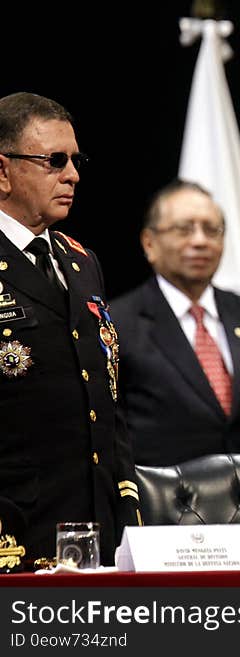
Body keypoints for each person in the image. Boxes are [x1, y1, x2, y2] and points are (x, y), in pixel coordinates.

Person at [0, 91, 140, 565]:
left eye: (75, 160)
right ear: (2, 171)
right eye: (54, 161)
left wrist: (126, 498)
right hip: (15, 530)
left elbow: (107, 394)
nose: (73, 175)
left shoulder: (81, 263)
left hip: (96, 524)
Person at [111, 179, 240, 465]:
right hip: (160, 501)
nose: (200, 241)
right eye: (184, 229)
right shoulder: (117, 324)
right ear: (149, 243)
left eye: (211, 230)